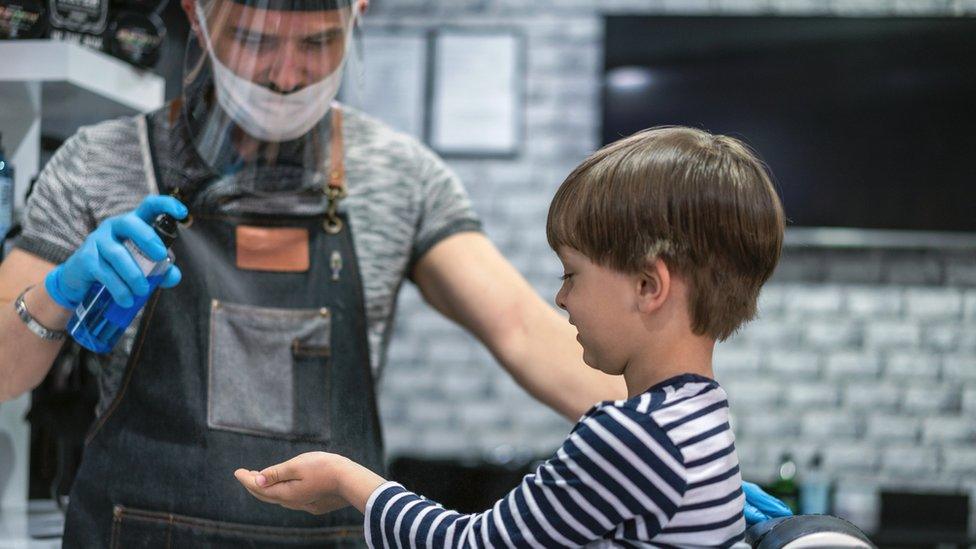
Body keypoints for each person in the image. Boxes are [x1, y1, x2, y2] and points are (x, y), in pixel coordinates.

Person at [0, 0, 786, 545]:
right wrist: (55, 293)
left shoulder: (398, 175)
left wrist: (674, 461)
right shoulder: (98, 164)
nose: (283, 73)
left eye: (316, 43)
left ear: (359, 15)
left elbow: (522, 326)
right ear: (199, 17)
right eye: (254, 38)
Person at [234, 126, 787, 547]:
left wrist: (346, 480)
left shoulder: (628, 438)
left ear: (649, 284)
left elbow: (469, 544)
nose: (562, 298)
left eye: (573, 274)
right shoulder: (703, 417)